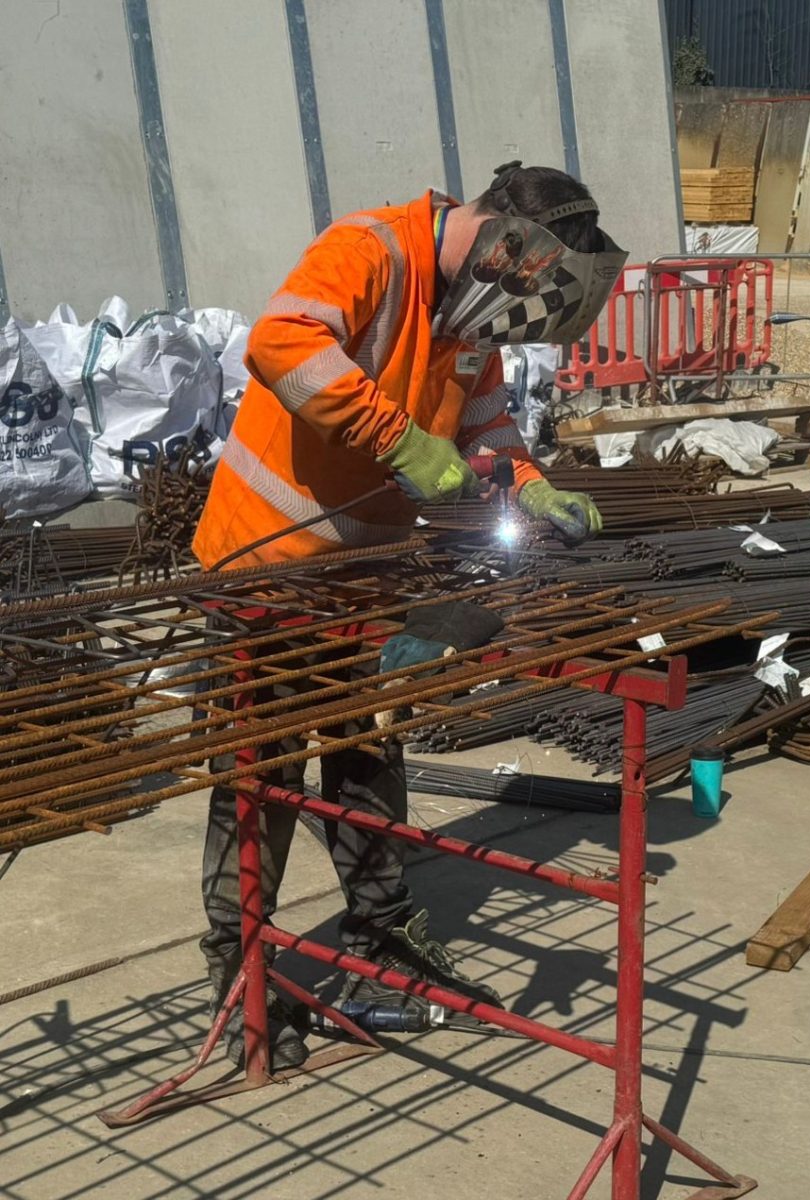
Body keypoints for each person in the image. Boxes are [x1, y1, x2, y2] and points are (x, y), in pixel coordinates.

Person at [191, 163, 627, 1068]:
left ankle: (380, 928)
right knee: (258, 773)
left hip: (362, 575)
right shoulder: (371, 249)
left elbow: (487, 424)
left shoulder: (482, 308)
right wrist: (395, 438)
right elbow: (279, 343)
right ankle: (243, 970)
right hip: (266, 562)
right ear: (506, 243)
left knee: (363, 753)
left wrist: (533, 484)